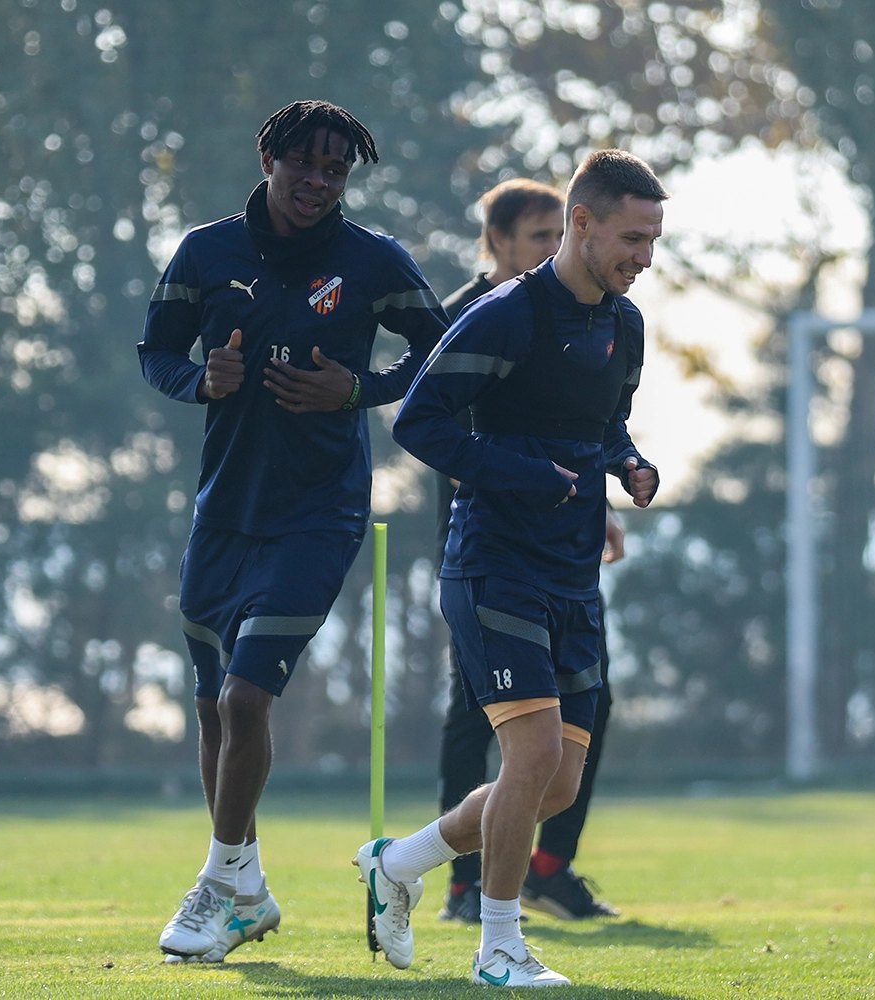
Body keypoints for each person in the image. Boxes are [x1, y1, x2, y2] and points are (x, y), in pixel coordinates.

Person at [137, 100, 448, 963]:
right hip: (224, 510)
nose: (317, 181)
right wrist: (202, 381)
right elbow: (156, 352)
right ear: (268, 158)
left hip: (320, 512)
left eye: (335, 169)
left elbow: (440, 346)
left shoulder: (373, 259)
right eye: (303, 163)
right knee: (212, 707)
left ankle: (215, 887)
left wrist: (359, 390)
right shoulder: (205, 252)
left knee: (246, 699)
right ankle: (250, 891)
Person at [356, 149, 666, 987]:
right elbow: (419, 422)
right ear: (582, 223)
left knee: (554, 787)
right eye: (632, 239)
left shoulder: (625, 325)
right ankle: (499, 949)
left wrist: (629, 465)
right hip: (494, 567)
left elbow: (607, 424)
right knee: (528, 763)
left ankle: (397, 863)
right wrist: (522, 473)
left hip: (574, 578)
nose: (645, 257)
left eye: (653, 241)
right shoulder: (504, 315)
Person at [433, 179, 622, 926]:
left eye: (556, 233)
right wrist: (524, 484)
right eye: (538, 236)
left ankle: (549, 866)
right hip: (490, 551)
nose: (552, 247)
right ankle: (463, 885)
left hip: (563, 550)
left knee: (589, 709)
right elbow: (435, 427)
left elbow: (588, 427)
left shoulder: (586, 318)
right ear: (497, 241)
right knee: (474, 716)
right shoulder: (473, 314)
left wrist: (599, 499)